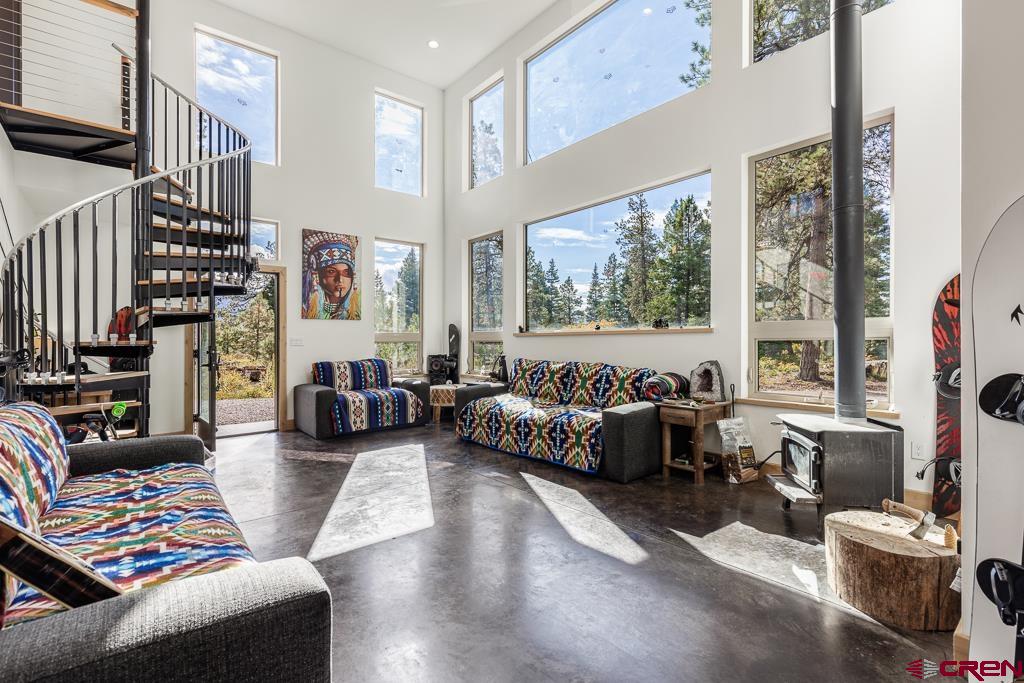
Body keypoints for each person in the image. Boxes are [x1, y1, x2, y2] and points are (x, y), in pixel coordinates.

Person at [302, 231, 360, 320]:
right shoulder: (305, 309)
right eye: (331, 272)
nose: (340, 279)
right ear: (317, 275)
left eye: (347, 273)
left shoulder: (357, 310)